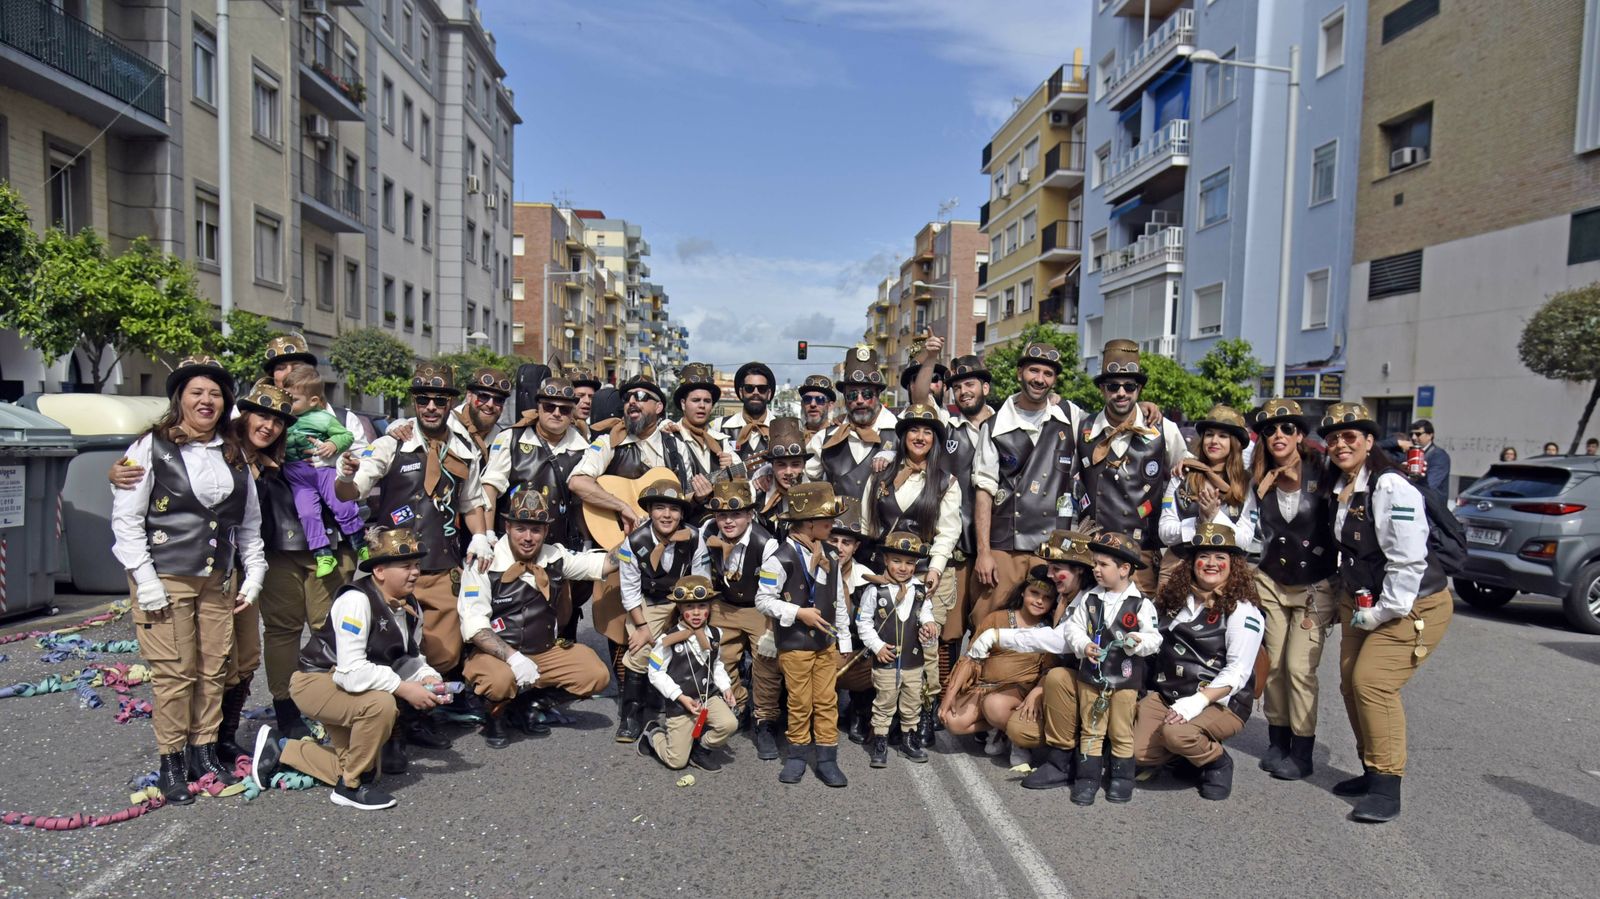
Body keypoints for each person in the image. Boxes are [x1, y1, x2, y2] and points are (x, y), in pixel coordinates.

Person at [111, 355, 266, 803]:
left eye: (215, 393)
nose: (206, 400)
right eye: (197, 392)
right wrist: (147, 579)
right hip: (166, 575)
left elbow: (249, 522)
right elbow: (126, 520)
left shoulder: (233, 453)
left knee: (213, 667)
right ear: (180, 398)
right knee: (174, 673)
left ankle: (204, 750)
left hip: (218, 577)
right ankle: (171, 760)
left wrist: (253, 574)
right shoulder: (150, 447)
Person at [335, 363, 493, 747]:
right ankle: (390, 720)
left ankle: (422, 711)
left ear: (451, 402)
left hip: (440, 562)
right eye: (423, 399)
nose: (431, 407)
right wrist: (343, 474)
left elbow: (472, 501)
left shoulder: (464, 446)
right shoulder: (392, 443)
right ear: (414, 402)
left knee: (442, 648)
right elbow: (350, 492)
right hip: (390, 565)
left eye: (439, 400)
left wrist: (482, 536)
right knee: (384, 642)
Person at [248, 527, 449, 812]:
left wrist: (428, 678)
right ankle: (350, 788)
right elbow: (351, 671)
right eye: (406, 566)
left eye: (417, 565)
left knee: (364, 766)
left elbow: (407, 658)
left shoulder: (410, 604)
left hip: (352, 686)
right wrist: (405, 688)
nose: (415, 572)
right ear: (379, 571)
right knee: (382, 705)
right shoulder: (355, 600)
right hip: (317, 681)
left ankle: (282, 749)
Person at [1320, 403, 1452, 823]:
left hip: (1412, 602)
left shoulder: (1390, 486)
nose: (1341, 444)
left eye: (1350, 436)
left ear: (1369, 441)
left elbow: (1409, 561)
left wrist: (1382, 612)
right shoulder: (1342, 484)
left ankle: (1387, 786)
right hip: (1363, 600)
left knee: (1372, 682)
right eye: (1334, 438)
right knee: (1348, 682)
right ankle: (1372, 767)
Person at [975, 531, 1159, 805]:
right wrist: (1083, 644)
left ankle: (1120, 778)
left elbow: (1153, 638)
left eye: (1057, 569)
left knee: (1121, 732)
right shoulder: (1085, 600)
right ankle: (1076, 771)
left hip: (1124, 681)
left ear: (1123, 569)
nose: (1048, 575)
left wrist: (1138, 641)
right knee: (1090, 729)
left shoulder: (1139, 604)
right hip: (1091, 680)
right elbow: (1070, 633)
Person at [457, 487, 616, 748]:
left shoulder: (554, 555)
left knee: (595, 673)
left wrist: (643, 536)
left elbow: (603, 564)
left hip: (542, 648)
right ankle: (495, 715)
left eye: (536, 529)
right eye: (521, 528)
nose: (528, 537)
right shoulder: (485, 560)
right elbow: (475, 626)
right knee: (499, 681)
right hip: (495, 654)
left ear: (546, 530)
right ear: (507, 526)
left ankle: (529, 704)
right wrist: (513, 658)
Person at [1135, 523, 1265, 802]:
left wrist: (1196, 703)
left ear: (1234, 565)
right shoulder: (1174, 598)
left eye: (1221, 558)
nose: (1211, 563)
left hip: (1220, 702)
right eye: (1204, 556)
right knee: (1138, 753)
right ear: (1192, 563)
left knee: (1177, 734)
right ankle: (1185, 756)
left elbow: (1238, 672)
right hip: (1169, 693)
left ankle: (1217, 762)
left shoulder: (1243, 609)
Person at [1248, 398, 1337, 782]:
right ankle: (1277, 739)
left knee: (1301, 668)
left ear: (1301, 435)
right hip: (1270, 581)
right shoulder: (1258, 476)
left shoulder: (1327, 472)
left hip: (1315, 585)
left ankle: (1302, 749)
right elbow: (1215, 455)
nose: (1279, 436)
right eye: (1270, 430)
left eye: (1288, 428)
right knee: (1276, 666)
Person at [861, 403, 960, 744]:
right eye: (913, 431)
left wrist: (934, 569)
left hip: (926, 574)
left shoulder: (946, 481)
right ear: (902, 437)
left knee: (926, 648)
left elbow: (948, 532)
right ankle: (878, 715)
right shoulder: (880, 474)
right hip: (887, 575)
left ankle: (923, 714)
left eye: (927, 432)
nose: (920, 437)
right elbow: (866, 524)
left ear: (935, 440)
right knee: (882, 640)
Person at [909, 343, 994, 721]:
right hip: (957, 547)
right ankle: (939, 701)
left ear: (985, 388)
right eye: (957, 386)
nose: (963, 391)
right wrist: (928, 359)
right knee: (947, 632)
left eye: (970, 384)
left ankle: (977, 705)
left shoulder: (1006, 422)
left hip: (996, 545)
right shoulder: (946, 423)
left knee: (986, 630)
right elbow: (918, 394)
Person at [972, 341, 1081, 628]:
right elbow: (984, 491)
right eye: (1034, 370)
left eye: (1048, 373)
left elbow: (1110, 422)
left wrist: (1145, 408)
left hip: (1054, 546)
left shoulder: (1071, 417)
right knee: (989, 620)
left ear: (1054, 379)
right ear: (1020, 371)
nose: (1039, 379)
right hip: (1006, 544)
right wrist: (984, 553)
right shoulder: (993, 426)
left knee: (1052, 626)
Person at [1075, 340, 1187, 595]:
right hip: (1093, 553)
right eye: (1113, 386)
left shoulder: (1163, 429)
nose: (1121, 393)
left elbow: (1186, 475)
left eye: (1129, 386)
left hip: (1141, 555)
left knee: (1137, 628)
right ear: (1102, 389)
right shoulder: (1082, 427)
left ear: (1139, 389)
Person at [764, 482, 852, 787]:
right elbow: (763, 600)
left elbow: (837, 597)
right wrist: (798, 613)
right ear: (810, 523)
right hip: (795, 645)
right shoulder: (779, 557)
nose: (833, 528)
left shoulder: (831, 553)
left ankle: (827, 758)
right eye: (827, 522)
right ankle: (797, 756)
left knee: (827, 700)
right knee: (800, 702)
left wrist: (845, 642)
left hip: (825, 643)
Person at [614, 479, 710, 742]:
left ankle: (689, 705)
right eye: (659, 508)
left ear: (681, 513)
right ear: (650, 511)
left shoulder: (694, 537)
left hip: (684, 599)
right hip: (650, 600)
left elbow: (701, 579)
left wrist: (695, 617)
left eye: (674, 509)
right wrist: (643, 627)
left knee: (698, 643)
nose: (667, 515)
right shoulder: (633, 542)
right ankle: (631, 714)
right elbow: (630, 591)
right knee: (641, 650)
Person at [701, 478, 786, 760]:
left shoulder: (766, 542)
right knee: (718, 659)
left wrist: (772, 628)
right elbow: (699, 572)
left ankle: (765, 720)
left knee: (766, 663)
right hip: (723, 605)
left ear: (750, 514)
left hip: (758, 606)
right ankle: (739, 704)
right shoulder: (707, 532)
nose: (728, 521)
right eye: (722, 515)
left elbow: (775, 589)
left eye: (736, 514)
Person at [939, 568, 1058, 759]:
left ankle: (1019, 739)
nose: (1039, 601)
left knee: (995, 704)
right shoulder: (996, 618)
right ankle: (1001, 730)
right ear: (1022, 591)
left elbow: (1048, 671)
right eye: (1034, 593)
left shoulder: (1050, 631)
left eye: (1047, 598)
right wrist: (948, 697)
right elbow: (970, 659)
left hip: (1019, 691)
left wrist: (1037, 692)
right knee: (952, 720)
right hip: (985, 686)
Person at [1002, 530, 1095, 771]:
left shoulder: (1092, 601)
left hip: (1094, 690)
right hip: (1068, 686)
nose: (1050, 575)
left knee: (1056, 678)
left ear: (1080, 569)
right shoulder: (1064, 598)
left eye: (1057, 569)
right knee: (1019, 729)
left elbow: (1059, 641)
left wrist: (998, 636)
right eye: (1049, 567)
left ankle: (1074, 754)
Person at [638, 575, 739, 772]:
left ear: (710, 607)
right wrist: (680, 697)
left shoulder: (716, 634)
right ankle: (653, 734)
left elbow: (716, 664)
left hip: (707, 696)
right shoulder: (667, 640)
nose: (696, 613)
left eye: (702, 606)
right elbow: (655, 673)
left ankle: (701, 749)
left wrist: (726, 687)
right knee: (676, 762)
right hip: (680, 702)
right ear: (679, 609)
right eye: (689, 607)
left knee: (729, 724)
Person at [855, 532, 938, 768]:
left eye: (910, 563)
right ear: (885, 560)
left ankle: (908, 740)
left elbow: (925, 612)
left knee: (912, 701)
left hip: (913, 660)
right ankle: (880, 740)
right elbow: (864, 623)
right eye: (897, 561)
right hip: (887, 660)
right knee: (885, 700)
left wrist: (929, 624)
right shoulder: (875, 590)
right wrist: (877, 646)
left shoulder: (920, 590)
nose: (904, 568)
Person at [279, 363, 367, 576]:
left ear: (314, 400)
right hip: (297, 475)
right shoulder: (282, 418)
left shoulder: (326, 417)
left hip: (323, 472)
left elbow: (348, 437)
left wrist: (333, 447)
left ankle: (361, 544)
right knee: (308, 513)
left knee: (342, 506)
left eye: (294, 399)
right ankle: (322, 554)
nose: (289, 403)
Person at [1157, 403, 1255, 588]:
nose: (1214, 441)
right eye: (1209, 434)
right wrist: (1198, 521)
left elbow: (1245, 540)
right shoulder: (1182, 475)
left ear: (1234, 443)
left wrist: (1214, 516)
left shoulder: (1246, 483)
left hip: (1223, 572)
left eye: (1223, 436)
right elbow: (1165, 533)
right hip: (1177, 567)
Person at [806, 347, 899, 500]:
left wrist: (898, 455)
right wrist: (770, 471)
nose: (860, 400)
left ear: (878, 395)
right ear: (845, 398)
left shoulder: (901, 434)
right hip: (837, 523)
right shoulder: (825, 438)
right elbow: (801, 478)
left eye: (867, 393)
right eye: (852, 394)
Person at [828, 498, 877, 744]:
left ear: (856, 547)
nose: (839, 548)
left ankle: (860, 710)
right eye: (833, 540)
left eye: (846, 542)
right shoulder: (810, 571)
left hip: (853, 657)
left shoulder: (868, 580)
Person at [672, 362, 736, 503]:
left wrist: (731, 471)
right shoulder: (670, 436)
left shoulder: (722, 441)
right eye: (696, 400)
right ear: (683, 404)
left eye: (707, 401)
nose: (702, 405)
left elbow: (742, 483)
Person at [755, 417, 809, 538]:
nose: (788, 472)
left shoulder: (815, 496)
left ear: (804, 465)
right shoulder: (758, 495)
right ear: (772, 466)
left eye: (795, 464)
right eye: (781, 464)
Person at [717, 361, 776, 461]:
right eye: (749, 388)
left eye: (762, 388)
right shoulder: (719, 426)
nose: (755, 393)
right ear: (741, 392)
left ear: (769, 393)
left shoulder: (781, 429)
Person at [1403, 419, 1451, 497]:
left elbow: (1431, 484)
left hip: (1431, 504)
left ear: (1430, 435)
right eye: (1411, 434)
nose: (1414, 437)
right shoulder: (1410, 453)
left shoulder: (1439, 456)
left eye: (1418, 434)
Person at [796, 375, 837, 444]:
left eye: (820, 399)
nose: (813, 404)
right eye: (807, 399)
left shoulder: (839, 435)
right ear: (802, 405)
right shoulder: (795, 436)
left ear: (830, 406)